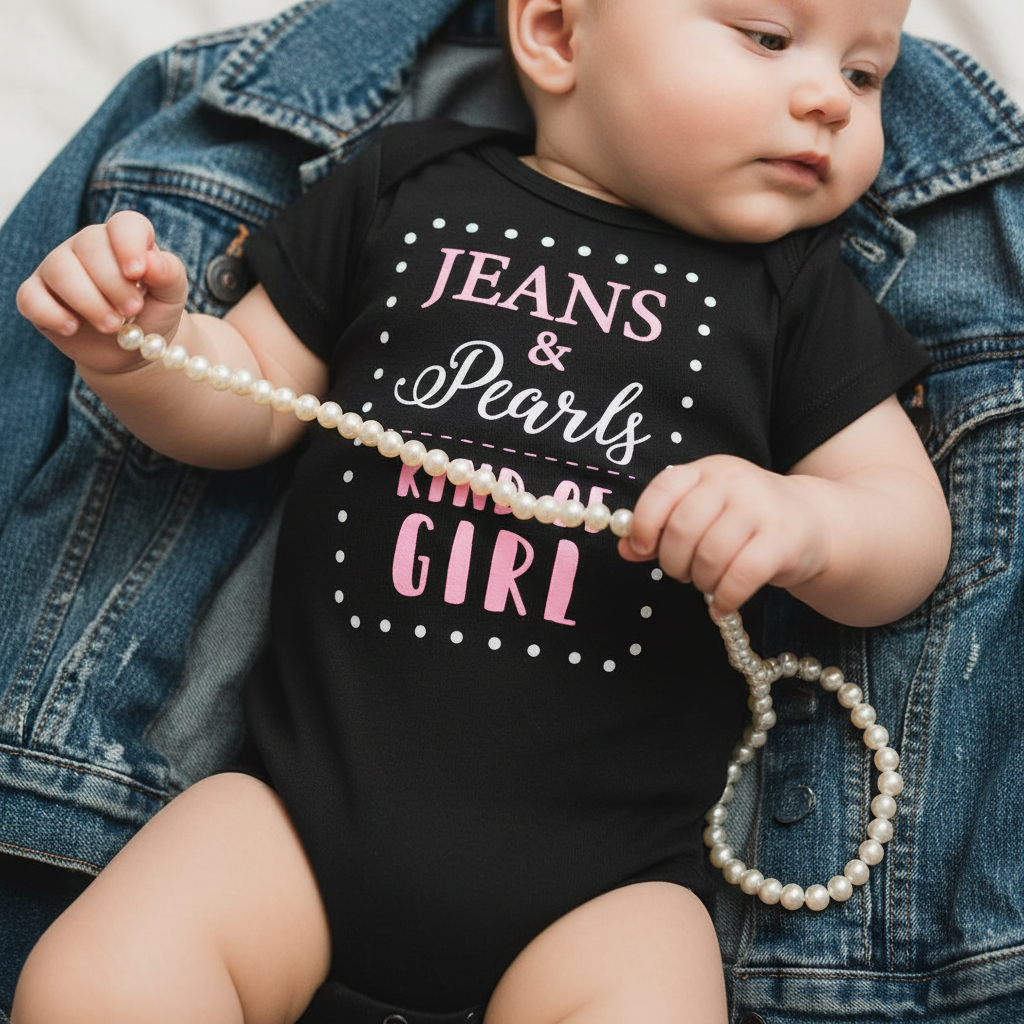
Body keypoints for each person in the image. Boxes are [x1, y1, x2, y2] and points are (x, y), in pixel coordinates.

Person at [2, 4, 1024, 1024]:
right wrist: (142, 348)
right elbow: (253, 394)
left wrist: (803, 521)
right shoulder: (403, 184)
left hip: (606, 891)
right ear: (555, 34)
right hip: (293, 817)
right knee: (95, 984)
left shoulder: (797, 290)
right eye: (765, 37)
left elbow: (907, 531)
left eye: (864, 75)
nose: (826, 101)